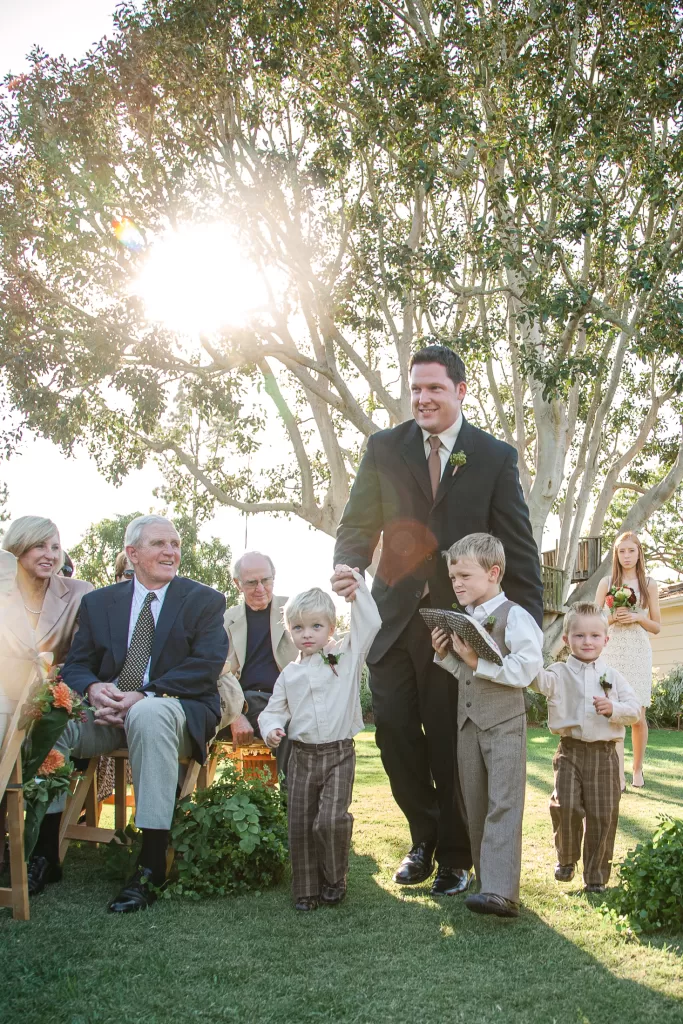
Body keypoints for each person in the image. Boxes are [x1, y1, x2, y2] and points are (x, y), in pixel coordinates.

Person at [333, 344, 543, 895]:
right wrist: (347, 566)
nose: (423, 398)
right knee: (395, 734)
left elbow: (517, 549)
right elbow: (358, 523)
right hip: (395, 619)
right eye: (416, 388)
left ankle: (453, 854)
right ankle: (422, 833)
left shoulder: (493, 456)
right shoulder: (383, 448)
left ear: (460, 391)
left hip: (458, 631)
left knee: (451, 741)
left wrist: (526, 628)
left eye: (434, 389)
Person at [26, 514, 228, 913]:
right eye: (159, 544)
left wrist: (143, 695)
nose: (171, 551)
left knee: (149, 714)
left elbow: (205, 666)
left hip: (173, 711)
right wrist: (94, 688)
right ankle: (45, 853)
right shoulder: (99, 603)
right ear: (132, 553)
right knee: (51, 719)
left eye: (175, 544)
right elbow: (78, 663)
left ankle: (152, 863)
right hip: (108, 713)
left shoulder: (204, 600)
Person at [431, 534, 543, 918]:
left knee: (503, 803)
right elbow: (468, 673)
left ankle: (501, 891)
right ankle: (486, 883)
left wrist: (479, 664)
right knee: (475, 803)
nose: (457, 583)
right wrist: (447, 656)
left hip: (504, 723)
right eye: (452, 577)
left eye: (464, 574)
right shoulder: (467, 618)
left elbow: (528, 668)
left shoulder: (516, 616)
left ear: (493, 573)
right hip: (468, 723)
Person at [259, 569, 381, 911]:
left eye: (316, 626)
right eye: (298, 628)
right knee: (300, 822)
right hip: (301, 757)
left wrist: (358, 591)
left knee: (329, 820)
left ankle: (334, 878)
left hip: (339, 754)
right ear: (289, 632)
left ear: (330, 626)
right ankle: (306, 890)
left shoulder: (345, 656)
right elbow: (272, 711)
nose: (307, 634)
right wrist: (271, 729)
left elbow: (369, 625)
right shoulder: (289, 675)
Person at [532, 603, 641, 892]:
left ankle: (595, 878)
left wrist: (613, 708)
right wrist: (526, 655)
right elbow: (536, 681)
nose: (587, 641)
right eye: (579, 636)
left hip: (604, 755)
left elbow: (634, 711)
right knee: (564, 804)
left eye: (594, 636)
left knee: (603, 815)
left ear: (606, 639)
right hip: (570, 751)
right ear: (566, 639)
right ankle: (567, 859)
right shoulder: (557, 673)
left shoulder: (613, 677)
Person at [221, 551, 298, 781]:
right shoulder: (224, 621)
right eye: (252, 582)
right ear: (237, 584)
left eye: (266, 580)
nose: (260, 588)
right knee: (284, 724)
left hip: (291, 700)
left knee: (297, 723)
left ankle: (299, 805)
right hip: (245, 702)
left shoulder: (295, 609)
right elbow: (215, 672)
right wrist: (235, 715)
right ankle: (290, 804)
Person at [595, 532, 660, 789]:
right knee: (615, 713)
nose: (627, 556)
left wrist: (638, 617)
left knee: (637, 716)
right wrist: (612, 617)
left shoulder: (649, 584)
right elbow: (594, 621)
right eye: (622, 551)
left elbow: (656, 626)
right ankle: (618, 774)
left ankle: (637, 769)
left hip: (638, 652)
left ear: (639, 553)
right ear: (616, 554)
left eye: (631, 551)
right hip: (613, 652)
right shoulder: (606, 582)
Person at [2, 515, 93, 667]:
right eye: (39, 546)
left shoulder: (80, 593)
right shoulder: (2, 593)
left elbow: (82, 660)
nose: (51, 555)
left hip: (59, 687)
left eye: (55, 548)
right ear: (18, 548)